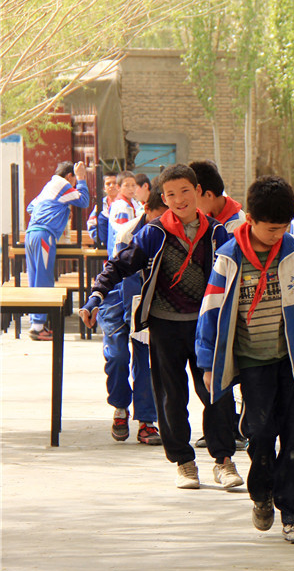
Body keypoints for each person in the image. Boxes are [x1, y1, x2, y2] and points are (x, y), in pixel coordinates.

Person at [80, 164, 242, 490]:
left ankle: (223, 461)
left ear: (198, 192)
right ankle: (184, 462)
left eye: (185, 191)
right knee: (171, 396)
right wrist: (95, 296)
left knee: (217, 393)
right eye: (171, 194)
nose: (179, 199)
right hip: (165, 327)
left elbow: (239, 272)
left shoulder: (217, 233)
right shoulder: (154, 233)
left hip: (206, 328)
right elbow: (120, 264)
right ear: (163, 199)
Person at [197, 175, 294, 544]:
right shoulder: (229, 257)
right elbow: (210, 311)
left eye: (284, 227)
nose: (278, 235)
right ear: (251, 221)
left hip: (293, 360)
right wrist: (208, 363)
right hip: (253, 362)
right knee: (258, 433)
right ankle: (261, 493)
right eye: (271, 229)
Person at [101, 186, 166, 445]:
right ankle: (119, 407)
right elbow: (120, 276)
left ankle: (147, 421)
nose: (162, 223)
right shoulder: (127, 233)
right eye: (158, 216)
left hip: (150, 301)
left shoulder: (170, 233)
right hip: (119, 299)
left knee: (147, 361)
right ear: (146, 209)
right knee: (116, 356)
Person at [190, 158, 246, 451]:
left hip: (230, 310)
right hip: (206, 308)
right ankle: (225, 424)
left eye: (191, 195)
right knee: (207, 372)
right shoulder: (204, 219)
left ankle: (232, 427)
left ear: (206, 194)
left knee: (224, 372)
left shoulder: (237, 223)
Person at [24, 161, 90, 340]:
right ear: (70, 176)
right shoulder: (63, 185)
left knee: (35, 279)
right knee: (44, 279)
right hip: (44, 235)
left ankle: (36, 324)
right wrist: (82, 178)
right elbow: (84, 201)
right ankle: (38, 328)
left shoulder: (49, 186)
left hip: (31, 235)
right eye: (75, 180)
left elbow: (31, 207)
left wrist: (60, 209)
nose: (75, 184)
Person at [191, 159, 245, 233]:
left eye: (193, 199)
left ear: (209, 195)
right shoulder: (206, 215)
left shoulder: (236, 224)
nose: (192, 204)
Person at [87, 173, 117, 247]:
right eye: (108, 184)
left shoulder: (128, 203)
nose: (112, 186)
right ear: (104, 188)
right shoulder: (100, 205)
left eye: (115, 183)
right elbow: (91, 224)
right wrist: (100, 240)